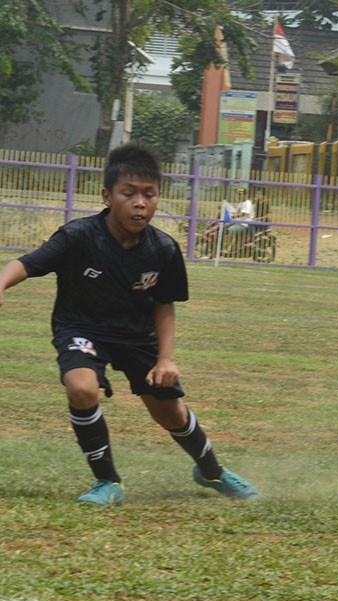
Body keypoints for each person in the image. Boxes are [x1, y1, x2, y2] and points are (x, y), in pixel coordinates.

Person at [0, 141, 259, 506]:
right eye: (129, 193)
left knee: (169, 412)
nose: (140, 202)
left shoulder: (163, 250)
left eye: (149, 194)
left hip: (137, 336)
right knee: (81, 387)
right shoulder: (78, 236)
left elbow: (164, 305)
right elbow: (27, 263)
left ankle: (212, 471)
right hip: (82, 329)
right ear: (108, 196)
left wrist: (166, 359)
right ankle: (108, 482)